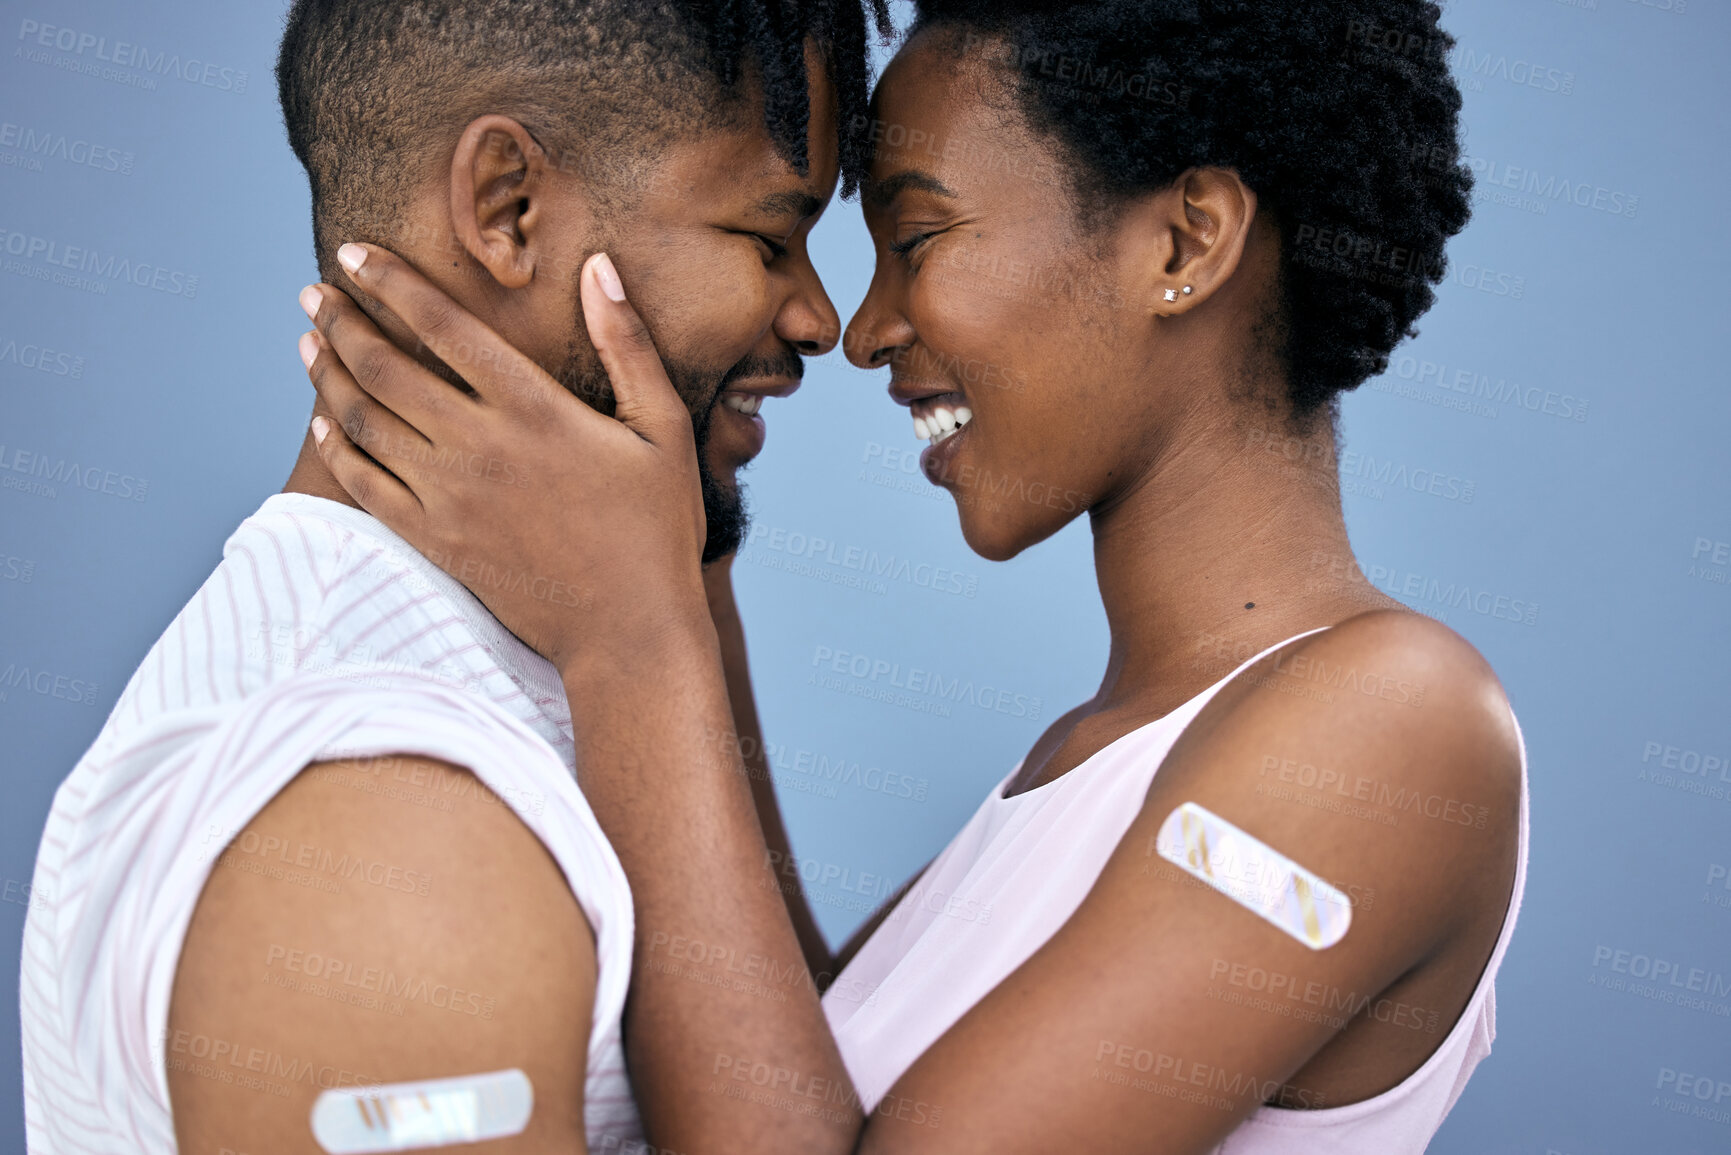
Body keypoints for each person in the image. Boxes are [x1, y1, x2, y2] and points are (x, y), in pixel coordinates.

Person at [301, 1, 1529, 1152]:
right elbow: (794, 1078)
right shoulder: (1093, 759)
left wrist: (632, 637)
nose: (865, 326)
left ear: (1185, 240)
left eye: (922, 237)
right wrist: (687, 557)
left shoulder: (1394, 726)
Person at [17, 1, 891, 1152]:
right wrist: (645, 639)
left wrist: (670, 607)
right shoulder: (380, 840)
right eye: (769, 238)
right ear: (506, 208)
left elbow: (795, 1037)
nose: (820, 318)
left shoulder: (558, 648)